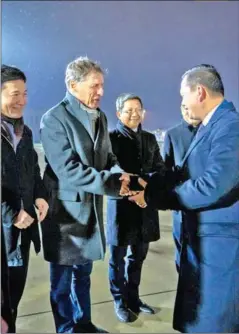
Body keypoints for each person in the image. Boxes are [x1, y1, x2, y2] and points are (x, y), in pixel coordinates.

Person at [129, 64, 239, 332]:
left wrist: (162, 199)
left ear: (200, 92)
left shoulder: (230, 127)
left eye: (183, 95)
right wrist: (150, 185)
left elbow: (215, 184)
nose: (182, 102)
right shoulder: (210, 126)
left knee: (215, 323)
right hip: (202, 239)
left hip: (219, 244)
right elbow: (182, 173)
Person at [40, 57, 132, 333]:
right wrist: (112, 183)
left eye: (102, 85)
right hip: (65, 216)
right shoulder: (54, 118)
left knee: (84, 275)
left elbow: (109, 157)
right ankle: (66, 329)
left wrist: (119, 173)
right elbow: (68, 170)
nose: (101, 92)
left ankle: (84, 323)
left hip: (91, 210)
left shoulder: (101, 117)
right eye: (95, 86)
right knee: (62, 282)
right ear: (73, 85)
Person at [107, 93, 165, 322]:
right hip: (121, 207)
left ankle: (134, 298)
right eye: (128, 110)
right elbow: (112, 169)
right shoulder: (111, 139)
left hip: (145, 205)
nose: (134, 114)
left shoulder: (150, 139)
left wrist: (146, 188)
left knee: (138, 257)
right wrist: (136, 187)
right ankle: (119, 300)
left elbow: (160, 168)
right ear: (118, 113)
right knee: (117, 258)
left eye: (137, 109)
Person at [1, 65, 49, 332]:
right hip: (4, 228)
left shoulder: (25, 133)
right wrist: (10, 214)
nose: (22, 100)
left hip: (22, 232)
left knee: (13, 296)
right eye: (14, 93)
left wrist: (40, 197)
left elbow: (33, 171)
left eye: (25, 93)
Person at [162, 105, 200, 271]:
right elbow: (166, 170)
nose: (188, 111)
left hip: (209, 205)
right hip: (183, 206)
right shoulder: (173, 134)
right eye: (184, 108)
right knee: (183, 254)